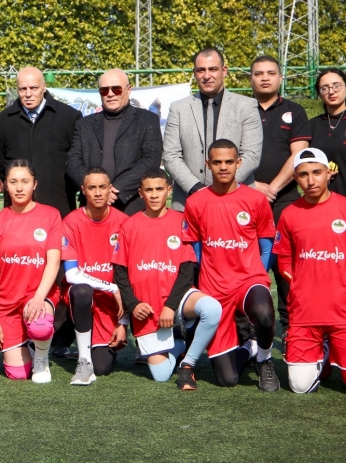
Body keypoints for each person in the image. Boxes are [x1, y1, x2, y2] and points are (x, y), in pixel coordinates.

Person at [182, 139, 279, 391]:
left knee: (264, 313)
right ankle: (249, 348)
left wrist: (257, 274)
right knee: (228, 380)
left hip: (249, 280)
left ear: (238, 163)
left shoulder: (256, 200)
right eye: (217, 162)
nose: (223, 167)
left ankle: (264, 360)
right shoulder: (196, 202)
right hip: (215, 288)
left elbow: (267, 247)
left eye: (228, 161)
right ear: (208, 164)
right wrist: (208, 277)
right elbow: (195, 249)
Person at [113, 168, 222, 390]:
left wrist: (171, 306)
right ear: (140, 193)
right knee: (161, 375)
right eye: (149, 190)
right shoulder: (129, 225)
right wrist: (133, 305)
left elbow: (187, 270)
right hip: (146, 308)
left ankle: (188, 364)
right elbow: (120, 272)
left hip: (177, 299)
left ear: (169, 190)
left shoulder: (181, 222)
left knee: (211, 309)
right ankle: (178, 343)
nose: (154, 195)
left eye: (159, 189)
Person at [0, 159, 61, 383]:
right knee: (18, 374)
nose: (19, 187)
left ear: (35, 184)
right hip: (8, 303)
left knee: (41, 327)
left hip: (38, 295)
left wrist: (39, 297)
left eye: (25, 181)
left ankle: (41, 358)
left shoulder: (50, 215)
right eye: (13, 182)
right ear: (5, 185)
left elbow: (53, 262)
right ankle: (28, 347)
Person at [274, 148, 346, 393]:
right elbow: (284, 258)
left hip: (342, 312)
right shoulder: (289, 214)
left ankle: (332, 347)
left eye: (317, 172)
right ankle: (324, 351)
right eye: (303, 175)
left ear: (329, 173)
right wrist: (299, 283)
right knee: (299, 386)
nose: (311, 180)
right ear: (296, 178)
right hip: (305, 312)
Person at [250, 55, 310, 337]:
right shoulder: (240, 108)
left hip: (284, 202)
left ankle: (292, 330)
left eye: (270, 73)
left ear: (280, 77)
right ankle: (248, 333)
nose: (265, 78)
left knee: (288, 270)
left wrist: (271, 189)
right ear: (250, 78)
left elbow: (299, 153)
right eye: (258, 73)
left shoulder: (294, 111)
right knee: (248, 267)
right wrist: (252, 186)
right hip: (245, 200)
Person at [163, 47, 263, 211]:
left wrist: (222, 188)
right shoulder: (178, 108)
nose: (207, 75)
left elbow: (251, 154)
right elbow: (170, 155)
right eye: (201, 70)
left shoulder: (246, 106)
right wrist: (196, 188)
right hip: (189, 202)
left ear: (224, 71)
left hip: (238, 202)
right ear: (194, 73)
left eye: (213, 69)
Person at [61, 167, 128, 385]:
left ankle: (98, 352)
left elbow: (129, 277)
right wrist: (111, 287)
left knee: (103, 367)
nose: (98, 193)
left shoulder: (124, 222)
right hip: (83, 298)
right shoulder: (71, 222)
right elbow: (71, 274)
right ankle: (83, 360)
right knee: (82, 291)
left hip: (110, 305)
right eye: (92, 188)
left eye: (102, 187)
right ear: (83, 190)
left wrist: (123, 322)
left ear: (110, 189)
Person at [67, 68, 162, 215]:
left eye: (116, 89)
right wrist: (95, 188)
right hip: (92, 207)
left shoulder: (148, 120)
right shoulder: (84, 124)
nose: (110, 94)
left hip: (132, 205)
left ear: (128, 89)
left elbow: (151, 159)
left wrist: (117, 189)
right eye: (104, 90)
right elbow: (73, 161)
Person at [0, 66, 81, 217]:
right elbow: (1, 164)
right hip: (17, 209)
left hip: (59, 205)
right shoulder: (2, 120)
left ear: (44, 87)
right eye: (23, 89)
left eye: (34, 88)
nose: (28, 94)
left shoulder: (69, 117)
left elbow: (76, 160)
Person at [309, 68, 346, 197]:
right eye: (324, 88)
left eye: (337, 86)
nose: (331, 91)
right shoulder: (312, 125)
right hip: (321, 199)